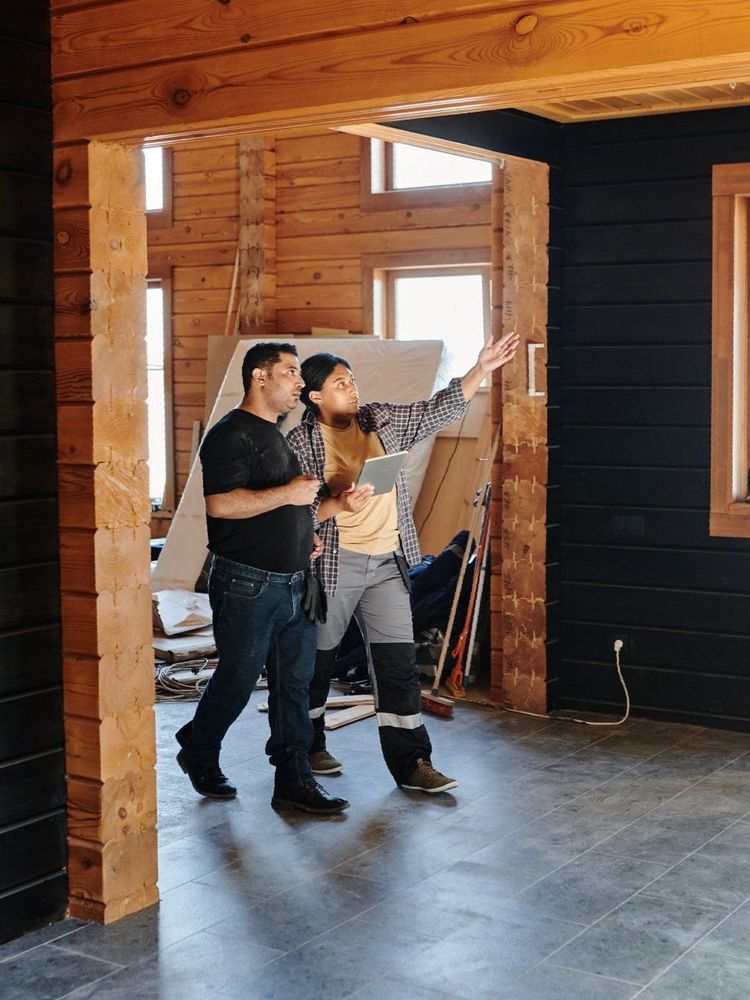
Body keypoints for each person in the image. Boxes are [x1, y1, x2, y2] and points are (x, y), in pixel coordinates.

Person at [286, 331, 520, 794]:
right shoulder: (300, 443)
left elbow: (439, 408)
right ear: (314, 396)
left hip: (388, 562)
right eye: (339, 383)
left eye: (352, 380)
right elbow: (292, 510)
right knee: (318, 661)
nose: (352, 389)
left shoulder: (382, 420)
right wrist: (338, 502)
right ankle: (307, 745)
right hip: (335, 565)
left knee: (395, 665)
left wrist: (481, 369)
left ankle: (413, 763)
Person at [175, 342, 348, 815]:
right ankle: (199, 748)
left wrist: (304, 538)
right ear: (259, 377)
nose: (299, 382)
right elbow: (222, 505)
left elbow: (281, 508)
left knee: (294, 685)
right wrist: (291, 494)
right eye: (290, 372)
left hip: (295, 581)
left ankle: (293, 780)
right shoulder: (230, 435)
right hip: (248, 584)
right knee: (237, 679)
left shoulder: (276, 434)